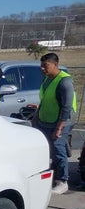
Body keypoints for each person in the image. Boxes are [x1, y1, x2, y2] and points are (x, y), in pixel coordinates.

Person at [33, 52, 77, 195]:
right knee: (48, 149)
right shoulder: (47, 79)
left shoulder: (64, 82)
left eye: (45, 66)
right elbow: (45, 99)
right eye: (41, 65)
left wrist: (59, 127)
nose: (42, 69)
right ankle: (50, 177)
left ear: (55, 65)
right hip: (46, 120)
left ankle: (62, 181)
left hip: (61, 122)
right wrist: (37, 115)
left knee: (58, 149)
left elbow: (66, 107)